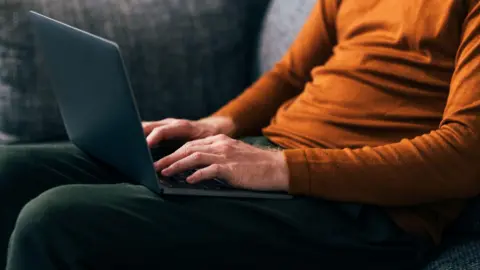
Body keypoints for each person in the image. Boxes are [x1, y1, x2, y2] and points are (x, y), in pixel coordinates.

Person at [2, 0, 480, 269]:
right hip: (271, 159)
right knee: (10, 172)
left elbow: (465, 157)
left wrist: (281, 168)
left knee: (55, 221)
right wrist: (218, 124)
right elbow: (291, 75)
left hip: (365, 212)